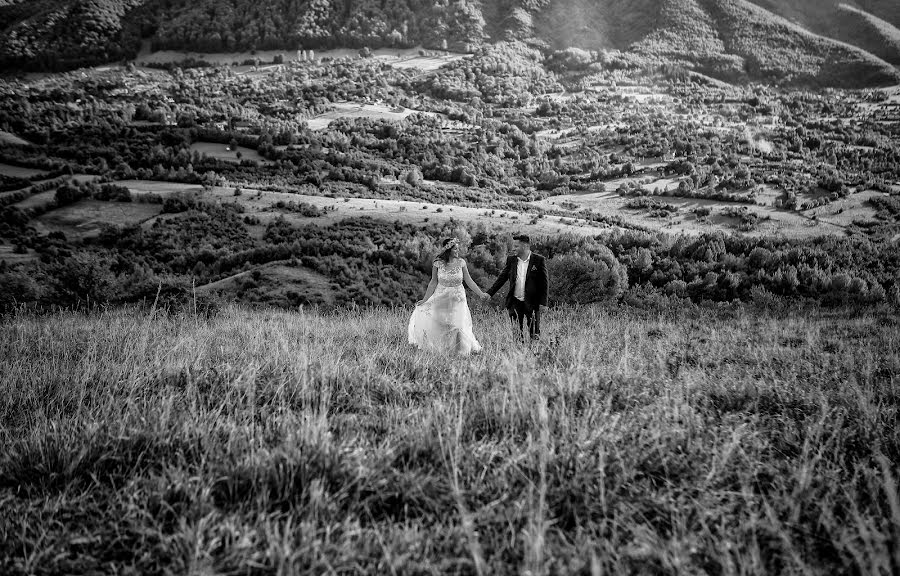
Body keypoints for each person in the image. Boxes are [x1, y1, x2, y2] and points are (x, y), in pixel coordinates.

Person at [408, 237, 489, 356]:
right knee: (442, 325)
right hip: (441, 298)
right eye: (455, 249)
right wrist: (425, 299)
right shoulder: (438, 263)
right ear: (448, 250)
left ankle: (460, 351)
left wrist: (481, 294)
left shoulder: (461, 262)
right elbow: (433, 282)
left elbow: (469, 281)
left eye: (457, 248)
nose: (458, 250)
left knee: (458, 324)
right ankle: (442, 350)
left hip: (458, 299)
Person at [486, 234, 549, 341]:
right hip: (515, 301)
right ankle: (518, 353)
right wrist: (489, 293)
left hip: (532, 302)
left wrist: (544, 303)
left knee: (534, 333)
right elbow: (502, 278)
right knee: (516, 332)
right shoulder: (511, 260)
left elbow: (544, 283)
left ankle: (534, 354)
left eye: (516, 246)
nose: (513, 248)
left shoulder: (539, 260)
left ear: (524, 246)